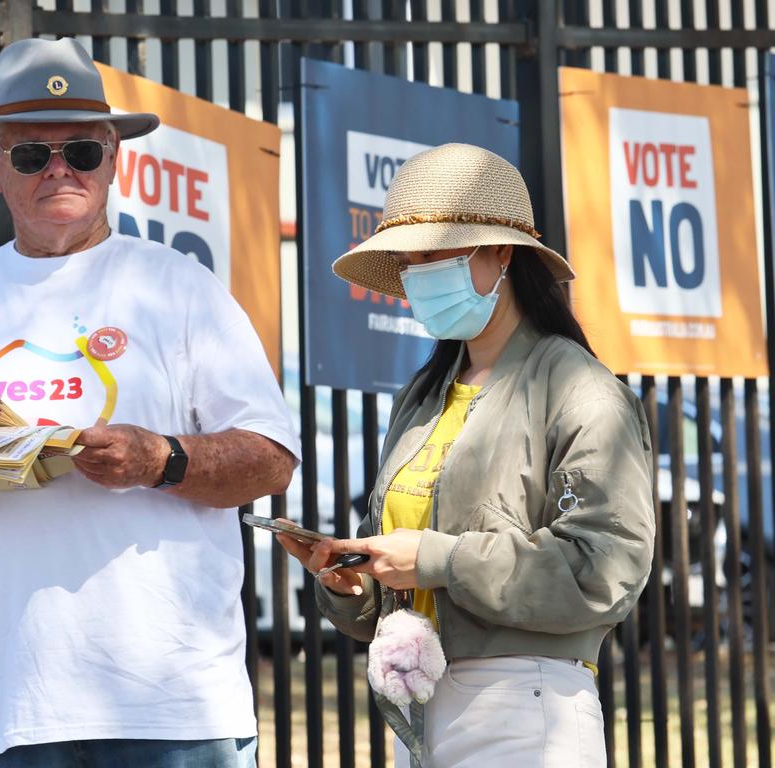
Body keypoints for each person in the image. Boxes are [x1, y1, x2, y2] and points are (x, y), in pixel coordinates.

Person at [0, 37, 299, 768]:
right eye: (33, 154)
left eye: (82, 152)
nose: (60, 169)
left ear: (114, 158)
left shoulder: (180, 288)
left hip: (175, 707)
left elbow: (273, 461)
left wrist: (161, 459)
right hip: (12, 711)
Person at [278, 143, 654, 768]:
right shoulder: (424, 394)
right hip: (421, 705)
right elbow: (405, 577)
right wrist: (350, 582)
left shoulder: (579, 387)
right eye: (407, 261)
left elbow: (604, 569)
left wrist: (435, 557)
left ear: (501, 251)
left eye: (434, 255)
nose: (417, 274)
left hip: (529, 707)